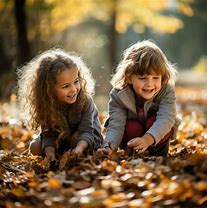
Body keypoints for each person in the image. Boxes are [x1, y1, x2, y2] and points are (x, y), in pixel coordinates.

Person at [17, 48, 103, 161]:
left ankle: (74, 154)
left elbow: (86, 131)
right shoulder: (46, 104)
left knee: (75, 138)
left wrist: (79, 148)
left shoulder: (84, 100)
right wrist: (49, 151)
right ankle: (59, 156)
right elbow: (48, 134)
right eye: (66, 86)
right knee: (35, 147)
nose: (74, 89)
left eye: (76, 81)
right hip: (62, 140)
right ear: (49, 89)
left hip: (86, 139)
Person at [97, 40, 181, 156]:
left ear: (163, 76)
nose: (149, 84)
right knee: (131, 127)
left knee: (155, 121)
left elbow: (166, 118)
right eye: (142, 78)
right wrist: (109, 147)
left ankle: (155, 154)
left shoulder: (166, 90)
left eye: (156, 78)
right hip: (132, 139)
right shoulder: (119, 94)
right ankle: (133, 151)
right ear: (129, 77)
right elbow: (116, 124)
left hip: (157, 139)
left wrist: (147, 139)